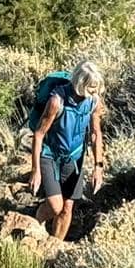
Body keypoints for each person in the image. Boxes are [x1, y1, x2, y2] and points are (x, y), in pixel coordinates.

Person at [28, 61, 106, 241]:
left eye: (96, 89)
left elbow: (96, 133)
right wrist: (35, 171)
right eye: (90, 88)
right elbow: (39, 135)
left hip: (74, 158)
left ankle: (55, 246)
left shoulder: (94, 102)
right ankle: (34, 225)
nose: (94, 93)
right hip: (50, 155)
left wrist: (98, 166)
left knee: (67, 207)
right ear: (79, 84)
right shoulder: (56, 101)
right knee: (55, 206)